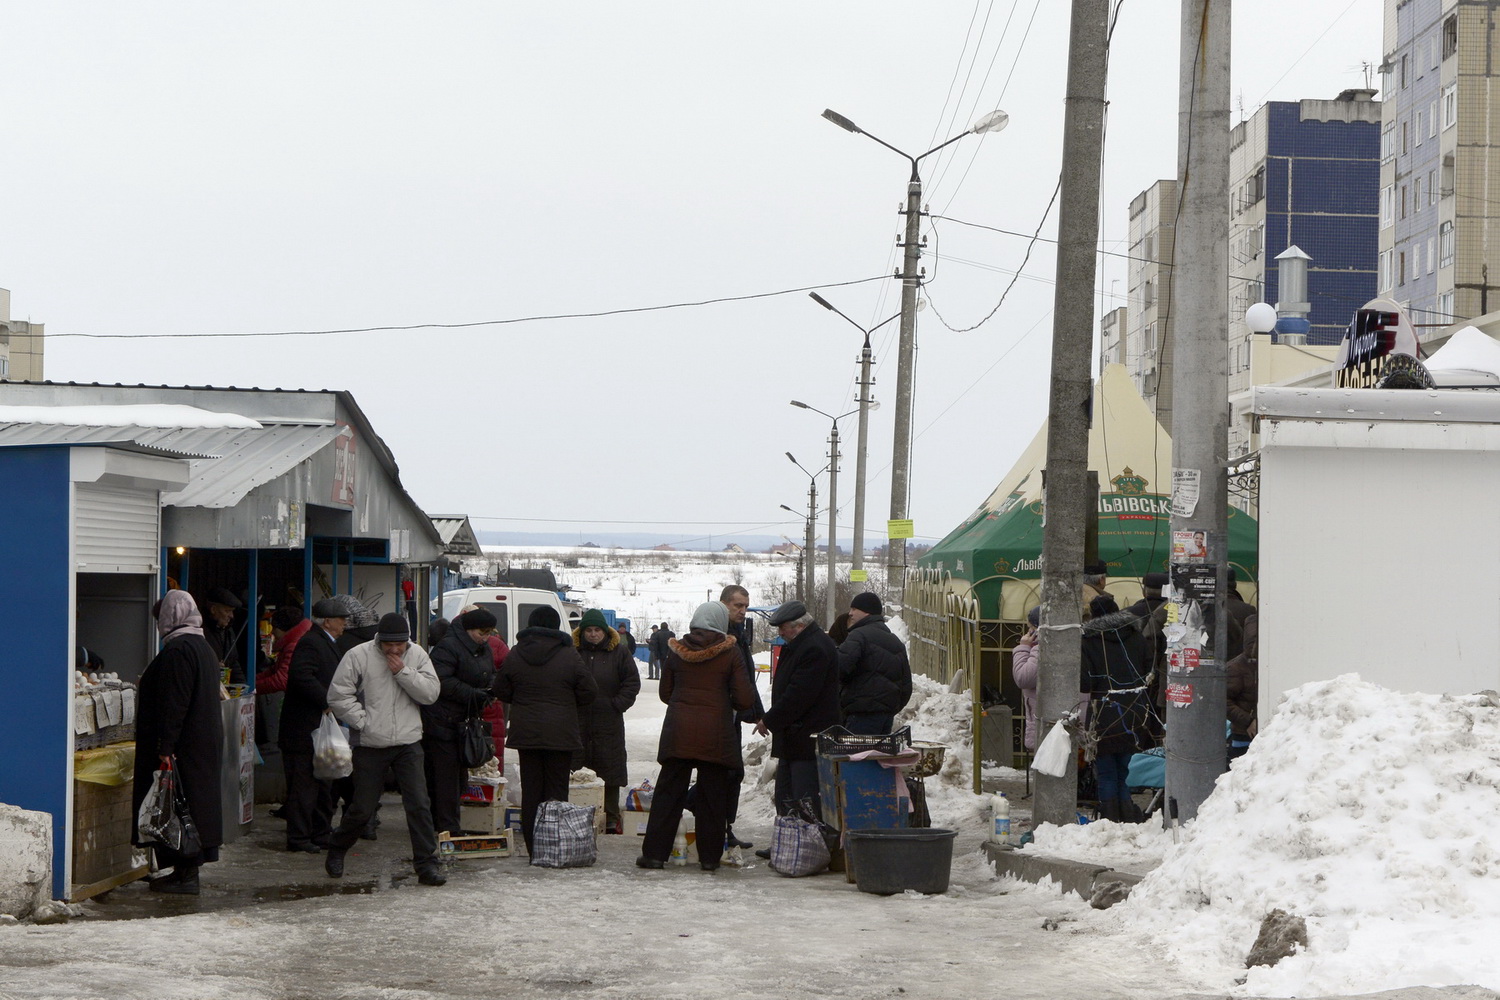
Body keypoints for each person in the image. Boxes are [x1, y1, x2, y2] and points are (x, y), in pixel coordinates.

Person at [324, 613, 445, 885]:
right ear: (379, 640)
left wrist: (403, 672)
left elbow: (430, 694)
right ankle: (338, 846)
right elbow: (337, 694)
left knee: (419, 804)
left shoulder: (418, 656)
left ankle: (426, 864)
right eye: (388, 644)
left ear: (407, 641)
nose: (394, 649)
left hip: (408, 742)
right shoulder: (358, 655)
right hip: (371, 743)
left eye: (399, 644)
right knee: (362, 808)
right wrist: (362, 722)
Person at [637, 601, 756, 872]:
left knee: (668, 795)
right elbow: (745, 698)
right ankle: (710, 859)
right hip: (716, 736)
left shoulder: (676, 651)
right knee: (712, 797)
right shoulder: (731, 652)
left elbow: (665, 693)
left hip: (678, 733)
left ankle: (654, 855)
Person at [131, 590, 224, 894]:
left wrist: (165, 747)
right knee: (189, 806)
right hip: (200, 745)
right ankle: (185, 871)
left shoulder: (178, 650)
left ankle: (186, 874)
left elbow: (175, 703)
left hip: (183, 747)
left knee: (178, 807)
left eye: (161, 619)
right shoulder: (201, 645)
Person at [494, 605, 597, 856]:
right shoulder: (568, 654)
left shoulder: (517, 653)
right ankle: (553, 847)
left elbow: (501, 689)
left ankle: (532, 850)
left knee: (531, 792)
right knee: (556, 792)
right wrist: (567, 703)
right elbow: (589, 691)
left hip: (527, 733)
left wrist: (521, 698)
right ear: (556, 626)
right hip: (561, 734)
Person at [423, 607, 504, 839]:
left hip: (463, 721)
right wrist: (473, 694)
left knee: (459, 778)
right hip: (442, 722)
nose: (486, 637)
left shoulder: (483, 648)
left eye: (489, 632)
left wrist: (492, 688)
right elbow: (441, 681)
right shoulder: (448, 647)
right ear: (468, 629)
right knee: (445, 779)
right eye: (482, 632)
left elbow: (491, 672)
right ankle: (447, 829)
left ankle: (448, 824)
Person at [278, 598, 350, 853]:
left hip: (318, 730)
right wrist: (326, 702)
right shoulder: (311, 642)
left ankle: (320, 833)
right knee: (304, 787)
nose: (344, 623)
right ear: (328, 621)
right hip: (304, 730)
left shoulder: (326, 643)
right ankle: (298, 838)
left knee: (323, 784)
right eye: (341, 619)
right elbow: (300, 677)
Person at [760, 600, 839, 817]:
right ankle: (788, 840)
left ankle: (805, 843)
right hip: (794, 738)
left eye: (782, 628)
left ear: (798, 626)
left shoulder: (814, 648)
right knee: (786, 793)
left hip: (805, 738)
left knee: (804, 797)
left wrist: (769, 720)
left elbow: (798, 696)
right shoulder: (802, 644)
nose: (780, 633)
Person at [572, 608, 641, 834]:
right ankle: (578, 811)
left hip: (608, 720)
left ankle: (611, 815)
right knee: (578, 766)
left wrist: (617, 704)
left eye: (597, 630)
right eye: (588, 630)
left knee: (609, 766)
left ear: (605, 632)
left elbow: (631, 683)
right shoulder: (573, 652)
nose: (592, 634)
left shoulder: (619, 652)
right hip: (579, 719)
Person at [1081, 607, 1153, 822]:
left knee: (1106, 773)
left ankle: (1110, 819)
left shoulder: (1089, 641)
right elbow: (1149, 672)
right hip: (1134, 711)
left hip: (1102, 711)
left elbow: (1086, 683)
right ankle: (1127, 816)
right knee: (1125, 770)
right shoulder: (1137, 637)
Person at [719, 585, 765, 851]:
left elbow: (746, 678)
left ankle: (726, 827)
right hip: (720, 717)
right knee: (725, 773)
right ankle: (716, 825)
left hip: (734, 716)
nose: (743, 611)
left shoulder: (739, 634)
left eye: (746, 606)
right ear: (723, 604)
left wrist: (757, 713)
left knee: (732, 774)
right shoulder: (719, 635)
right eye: (738, 606)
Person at [835, 592, 912, 735]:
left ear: (866, 612)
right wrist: (889, 709)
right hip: (886, 717)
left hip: (860, 715)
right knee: (878, 756)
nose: (850, 614)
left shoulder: (858, 636)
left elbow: (839, 668)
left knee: (858, 756)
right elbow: (906, 685)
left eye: (854, 609)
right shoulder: (895, 641)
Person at [1226, 614, 1259, 761]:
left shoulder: (1272, 662)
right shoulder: (1236, 668)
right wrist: (1248, 721)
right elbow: (1222, 701)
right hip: (1244, 735)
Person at [200, 586, 244, 684]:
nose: (231, 616)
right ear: (213, 609)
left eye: (232, 611)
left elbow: (234, 663)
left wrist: (242, 689)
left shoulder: (228, 631)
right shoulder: (199, 632)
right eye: (227, 611)